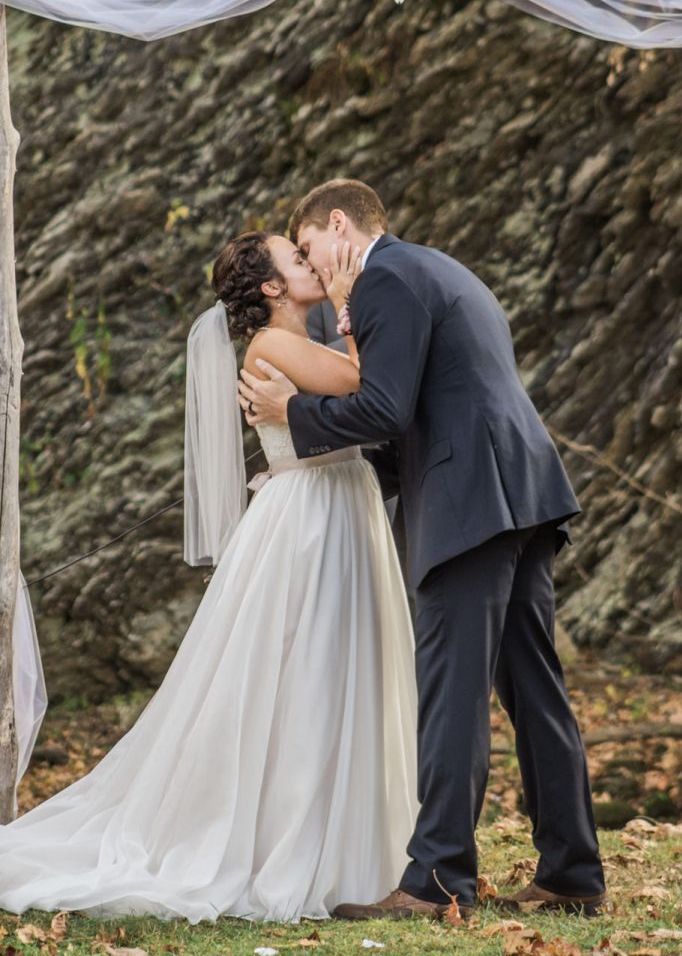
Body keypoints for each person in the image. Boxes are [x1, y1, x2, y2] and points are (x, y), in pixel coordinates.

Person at [0, 231, 417, 923]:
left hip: (341, 506)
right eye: (297, 258)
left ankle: (353, 841)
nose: (312, 263)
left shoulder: (291, 341)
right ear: (274, 289)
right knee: (305, 676)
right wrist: (349, 301)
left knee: (341, 670)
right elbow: (365, 384)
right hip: (310, 521)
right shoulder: (274, 346)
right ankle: (289, 838)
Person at [239, 179, 608, 919]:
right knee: (535, 690)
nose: (314, 265)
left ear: (337, 225)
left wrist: (292, 412)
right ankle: (572, 873)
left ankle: (436, 881)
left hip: (471, 504)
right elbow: (433, 403)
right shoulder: (433, 267)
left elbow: (385, 406)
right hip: (519, 490)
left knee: (452, 698)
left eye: (310, 247)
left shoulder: (384, 281)